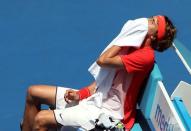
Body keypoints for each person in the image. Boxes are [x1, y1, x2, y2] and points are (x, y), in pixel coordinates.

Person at [21, 15, 176, 131]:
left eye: (153, 22)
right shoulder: (133, 45)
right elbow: (105, 80)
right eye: (151, 18)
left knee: (41, 119)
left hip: (109, 113)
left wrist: (124, 39)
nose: (146, 20)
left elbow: (103, 60)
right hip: (96, 99)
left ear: (154, 35)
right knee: (32, 92)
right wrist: (81, 94)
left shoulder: (145, 56)